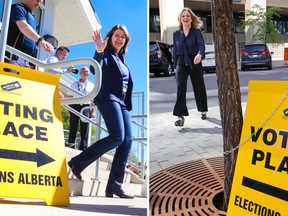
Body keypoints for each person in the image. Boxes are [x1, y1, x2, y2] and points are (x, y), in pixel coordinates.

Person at [68, 24, 134, 199]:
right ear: (111, 37)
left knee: (127, 141)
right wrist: (98, 50)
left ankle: (114, 187)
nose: (120, 39)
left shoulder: (122, 58)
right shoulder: (105, 53)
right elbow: (94, 67)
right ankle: (77, 162)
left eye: (123, 37)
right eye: (117, 35)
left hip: (123, 103)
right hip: (108, 98)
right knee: (117, 136)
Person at [173, 7, 208, 127]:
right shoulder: (176, 34)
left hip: (195, 60)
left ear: (191, 18)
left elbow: (202, 46)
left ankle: (203, 109)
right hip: (181, 62)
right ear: (180, 19)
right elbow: (175, 51)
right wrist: (174, 66)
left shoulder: (196, 32)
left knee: (199, 86)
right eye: (183, 16)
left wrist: (200, 54)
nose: (185, 18)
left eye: (187, 16)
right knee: (180, 88)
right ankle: (180, 116)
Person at [5, 0, 54, 67]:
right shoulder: (18, 8)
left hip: (26, 62)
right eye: (38, 0)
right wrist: (40, 40)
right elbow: (23, 26)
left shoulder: (31, 16)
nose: (39, 4)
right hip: (12, 57)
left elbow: (30, 40)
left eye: (41, 2)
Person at [66, 66, 95, 150]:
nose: (85, 73)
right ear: (80, 73)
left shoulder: (91, 85)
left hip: (86, 107)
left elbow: (93, 100)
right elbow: (70, 97)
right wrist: (69, 109)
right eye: (83, 71)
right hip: (75, 106)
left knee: (85, 127)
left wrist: (93, 112)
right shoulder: (74, 84)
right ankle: (71, 145)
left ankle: (83, 148)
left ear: (89, 73)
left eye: (87, 71)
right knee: (73, 125)